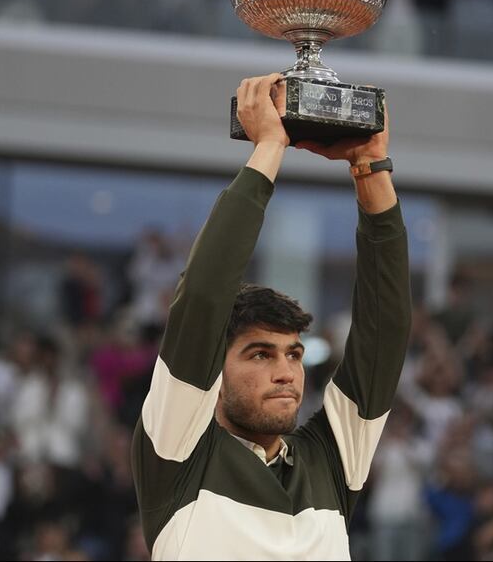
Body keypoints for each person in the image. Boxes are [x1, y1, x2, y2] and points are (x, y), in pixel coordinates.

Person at [131, 73, 411, 559]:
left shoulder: (331, 459)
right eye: (260, 354)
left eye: (293, 355)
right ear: (213, 374)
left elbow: (384, 330)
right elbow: (201, 296)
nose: (285, 373)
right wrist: (268, 148)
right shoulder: (177, 451)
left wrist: (371, 168)